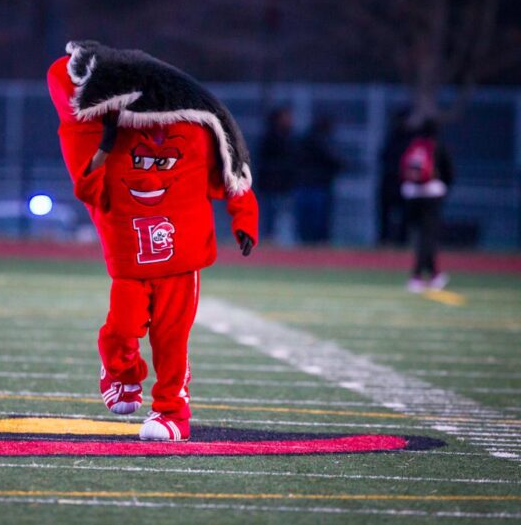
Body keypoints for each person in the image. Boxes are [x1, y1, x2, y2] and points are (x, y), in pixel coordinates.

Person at [47, 41, 258, 442]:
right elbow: (87, 184)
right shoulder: (111, 131)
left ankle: (172, 413)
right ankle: (121, 372)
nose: (150, 173)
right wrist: (108, 130)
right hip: (131, 255)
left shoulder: (193, 129)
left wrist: (244, 216)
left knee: (172, 340)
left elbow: (233, 168)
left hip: (182, 256)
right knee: (121, 330)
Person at [401, 119, 454, 292]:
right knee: (428, 237)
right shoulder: (438, 147)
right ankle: (416, 277)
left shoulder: (414, 146)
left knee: (422, 237)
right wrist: (443, 188)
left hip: (412, 195)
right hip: (431, 195)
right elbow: (449, 173)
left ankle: (435, 275)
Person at [293, 116, 344, 244]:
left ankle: (307, 244)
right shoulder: (323, 143)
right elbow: (335, 161)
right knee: (317, 221)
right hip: (318, 186)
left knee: (307, 222)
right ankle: (317, 244)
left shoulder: (303, 141)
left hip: (308, 184)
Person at [256, 107, 296, 241]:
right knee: (270, 214)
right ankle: (269, 239)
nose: (289, 121)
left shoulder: (290, 138)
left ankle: (283, 239)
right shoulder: (270, 138)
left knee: (283, 214)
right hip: (271, 184)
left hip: (285, 184)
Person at [377, 109, 411, 245]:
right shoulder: (391, 137)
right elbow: (383, 157)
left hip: (404, 181)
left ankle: (401, 241)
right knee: (386, 213)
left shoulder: (411, 139)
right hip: (390, 181)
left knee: (405, 214)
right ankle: (384, 240)